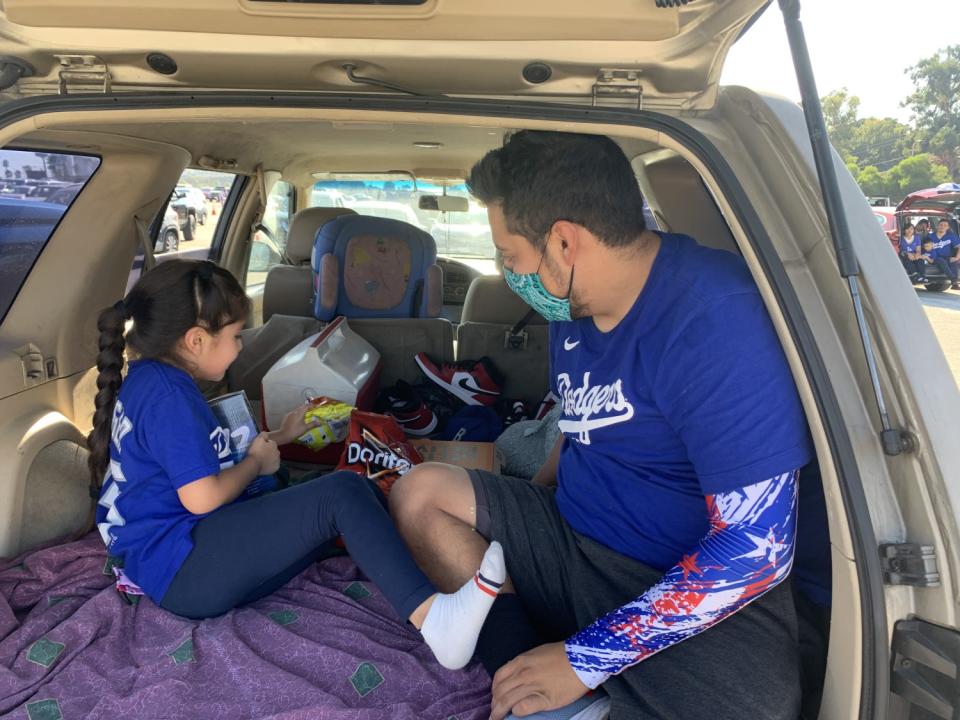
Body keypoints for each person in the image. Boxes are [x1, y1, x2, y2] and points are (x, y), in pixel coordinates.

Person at [390, 131, 827, 720]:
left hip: (681, 578)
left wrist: (581, 660)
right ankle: (531, 676)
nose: (508, 272)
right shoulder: (573, 309)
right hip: (573, 542)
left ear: (564, 241)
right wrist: (514, 507)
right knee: (422, 492)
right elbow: (579, 427)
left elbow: (755, 549)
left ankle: (561, 687)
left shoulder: (713, 320)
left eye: (510, 256)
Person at [88, 258, 505, 670]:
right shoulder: (170, 397)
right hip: (183, 569)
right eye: (235, 335)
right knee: (342, 493)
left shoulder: (150, 379)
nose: (241, 345)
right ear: (195, 340)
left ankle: (428, 572)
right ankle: (434, 620)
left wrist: (282, 438)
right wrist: (255, 463)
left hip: (180, 564)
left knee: (333, 509)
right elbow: (201, 497)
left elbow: (198, 467)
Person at [927, 218, 960, 289]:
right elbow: (925, 248)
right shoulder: (930, 236)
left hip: (947, 257)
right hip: (934, 258)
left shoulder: (951, 236)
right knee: (941, 261)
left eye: (945, 225)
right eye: (941, 225)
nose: (942, 227)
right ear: (937, 226)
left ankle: (954, 284)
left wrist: (957, 257)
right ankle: (954, 280)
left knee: (953, 262)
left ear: (948, 227)